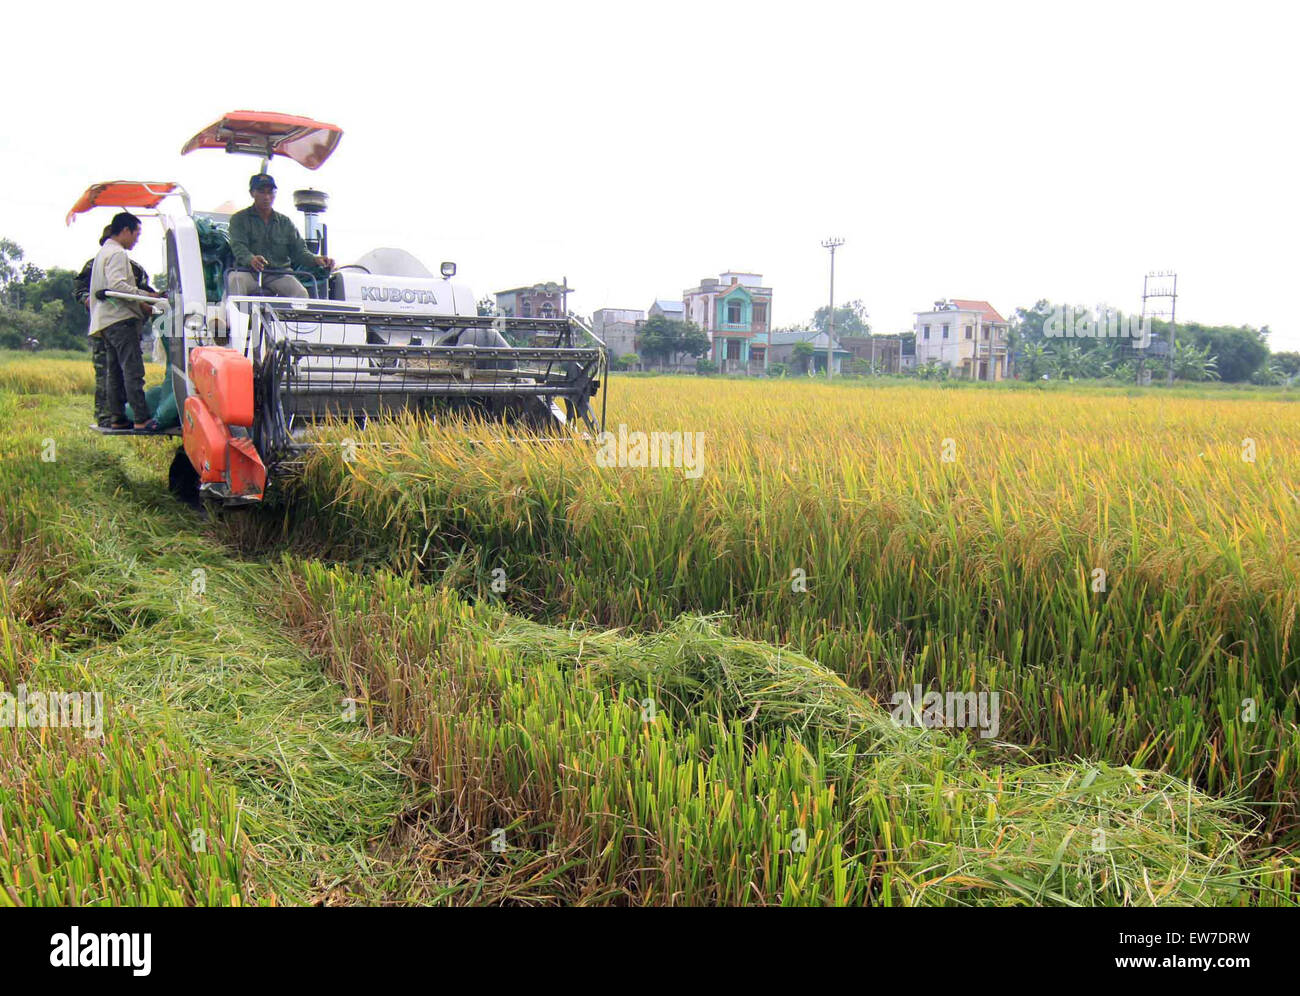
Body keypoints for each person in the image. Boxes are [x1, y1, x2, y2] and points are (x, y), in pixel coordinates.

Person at [89, 212, 164, 431]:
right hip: (120, 320)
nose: (137, 239)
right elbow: (117, 287)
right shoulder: (118, 254)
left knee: (115, 373)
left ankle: (118, 417)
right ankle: (141, 418)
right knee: (132, 370)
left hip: (106, 321)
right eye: (136, 234)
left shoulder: (103, 252)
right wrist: (147, 296)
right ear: (125, 231)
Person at [226, 173, 333, 298]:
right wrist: (251, 259)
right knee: (235, 281)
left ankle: (292, 318)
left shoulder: (285, 222)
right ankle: (237, 317)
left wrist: (316, 259)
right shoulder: (239, 219)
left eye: (270, 192)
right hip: (248, 272)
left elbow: (300, 251)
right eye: (261, 192)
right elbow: (238, 246)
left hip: (278, 274)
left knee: (300, 294)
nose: (266, 197)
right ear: (252, 193)